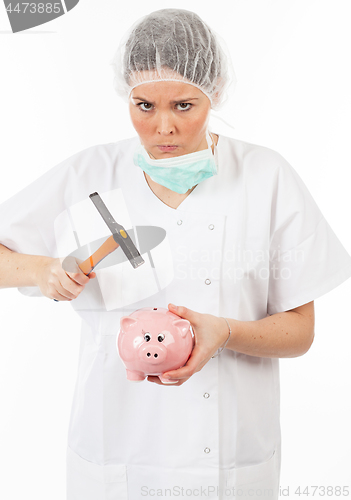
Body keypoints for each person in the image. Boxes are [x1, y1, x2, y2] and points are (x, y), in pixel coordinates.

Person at [0, 8, 350, 500]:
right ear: (127, 93)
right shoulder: (88, 174)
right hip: (114, 455)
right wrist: (43, 270)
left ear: (216, 90)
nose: (163, 128)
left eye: (184, 106)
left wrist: (224, 332)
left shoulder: (266, 177)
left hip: (227, 466)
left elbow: (300, 333)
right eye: (144, 105)